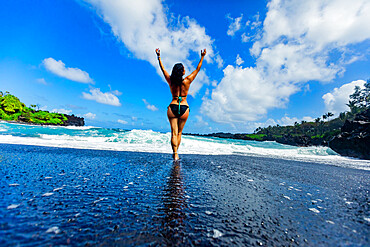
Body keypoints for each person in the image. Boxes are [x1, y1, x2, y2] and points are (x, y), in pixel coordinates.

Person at [155, 48, 206, 160]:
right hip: (184, 107)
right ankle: (177, 152)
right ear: (182, 71)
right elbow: (198, 69)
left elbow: (162, 69)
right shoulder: (187, 80)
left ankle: (175, 153)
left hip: (172, 106)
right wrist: (202, 56)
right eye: (184, 69)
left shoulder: (171, 81)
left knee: (173, 132)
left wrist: (159, 57)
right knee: (179, 133)